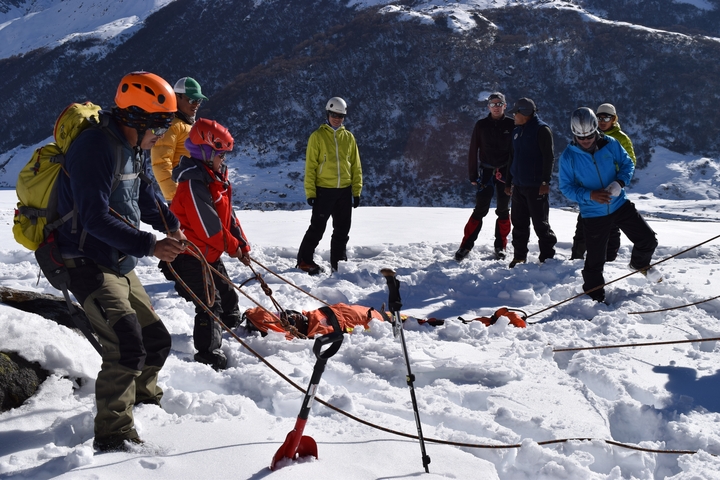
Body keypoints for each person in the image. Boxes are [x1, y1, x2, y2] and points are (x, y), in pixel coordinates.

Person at [55, 71, 187, 452]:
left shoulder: (131, 145)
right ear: (136, 117)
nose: (162, 134)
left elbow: (144, 194)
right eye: (159, 124)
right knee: (127, 343)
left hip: (117, 256)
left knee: (156, 340)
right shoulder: (95, 147)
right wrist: (151, 244)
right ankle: (114, 436)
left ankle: (144, 403)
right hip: (84, 259)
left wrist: (172, 227)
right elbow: (94, 217)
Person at [159, 119, 251, 371]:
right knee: (210, 305)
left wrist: (242, 244)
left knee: (228, 298)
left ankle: (230, 326)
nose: (224, 159)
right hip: (185, 255)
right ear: (207, 153)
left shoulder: (215, 181)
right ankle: (208, 354)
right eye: (220, 154)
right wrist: (233, 248)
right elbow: (209, 229)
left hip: (206, 254)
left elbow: (228, 217)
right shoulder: (193, 184)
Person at [559, 107, 659, 303]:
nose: (586, 141)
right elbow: (566, 188)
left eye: (589, 136)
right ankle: (594, 299)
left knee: (648, 240)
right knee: (595, 260)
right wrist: (590, 195)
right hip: (593, 213)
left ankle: (639, 264)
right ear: (574, 135)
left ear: (596, 130)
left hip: (619, 204)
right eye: (581, 137)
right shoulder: (568, 157)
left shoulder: (610, 144)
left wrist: (619, 183)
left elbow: (627, 164)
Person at [297, 97, 362, 275]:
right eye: (334, 114)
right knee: (317, 228)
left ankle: (339, 265)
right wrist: (310, 192)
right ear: (328, 113)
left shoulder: (348, 138)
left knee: (342, 230)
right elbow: (310, 166)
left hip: (344, 191)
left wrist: (356, 191)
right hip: (324, 190)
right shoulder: (317, 137)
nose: (337, 118)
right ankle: (304, 260)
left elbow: (356, 166)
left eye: (341, 116)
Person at [570, 103, 637, 260]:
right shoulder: (591, 135)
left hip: (611, 188)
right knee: (583, 223)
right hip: (592, 187)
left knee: (612, 226)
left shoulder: (620, 138)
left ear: (614, 119)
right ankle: (576, 257)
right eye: (599, 117)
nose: (602, 120)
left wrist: (617, 181)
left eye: (607, 117)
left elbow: (630, 161)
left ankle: (609, 258)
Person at [454, 92, 514, 262]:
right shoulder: (481, 125)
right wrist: (472, 174)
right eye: (493, 104)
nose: (496, 107)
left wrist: (514, 175)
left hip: (505, 172)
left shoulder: (512, 125)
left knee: (503, 210)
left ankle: (500, 245)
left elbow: (516, 152)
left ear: (505, 105)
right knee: (480, 209)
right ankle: (465, 245)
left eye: (499, 103)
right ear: (488, 107)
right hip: (486, 172)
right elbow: (473, 150)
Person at [503, 97, 557, 268]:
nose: (513, 116)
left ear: (524, 113)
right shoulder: (517, 131)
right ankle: (519, 256)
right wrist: (508, 182)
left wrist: (545, 181)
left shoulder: (542, 130)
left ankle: (547, 257)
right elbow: (512, 157)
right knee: (519, 224)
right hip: (519, 186)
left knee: (541, 224)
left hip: (535, 187)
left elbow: (548, 157)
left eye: (516, 113)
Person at [151, 77, 207, 203]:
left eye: (199, 100)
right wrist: (174, 198)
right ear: (177, 97)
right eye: (191, 99)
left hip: (192, 194)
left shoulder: (185, 124)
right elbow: (161, 163)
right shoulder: (171, 125)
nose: (196, 104)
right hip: (182, 197)